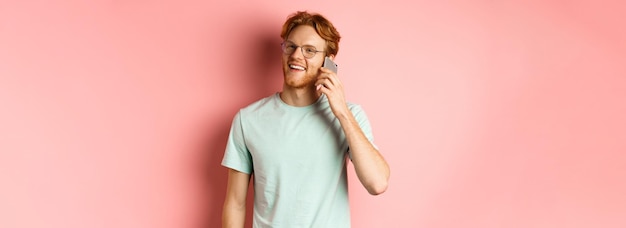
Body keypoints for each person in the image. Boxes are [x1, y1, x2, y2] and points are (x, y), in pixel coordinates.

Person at [221, 11, 390, 228]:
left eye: (309, 50)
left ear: (327, 62)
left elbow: (377, 183)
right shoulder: (248, 120)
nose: (296, 56)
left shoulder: (350, 116)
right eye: (290, 46)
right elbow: (235, 203)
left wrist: (341, 112)